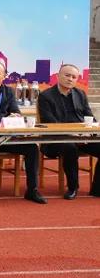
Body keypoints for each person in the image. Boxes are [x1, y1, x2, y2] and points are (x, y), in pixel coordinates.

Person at [0, 62, 46, 204]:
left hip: (7, 137)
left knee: (32, 148)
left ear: (4, 76)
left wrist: (15, 116)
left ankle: (32, 190)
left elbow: (15, 111)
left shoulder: (9, 91)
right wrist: (6, 119)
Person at [38, 64, 100, 199]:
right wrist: (72, 134)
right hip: (56, 139)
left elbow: (90, 117)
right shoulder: (45, 96)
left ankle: (97, 189)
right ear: (58, 76)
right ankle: (73, 187)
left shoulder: (80, 94)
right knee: (70, 147)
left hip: (81, 137)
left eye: (74, 77)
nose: (70, 79)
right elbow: (50, 122)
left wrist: (89, 132)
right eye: (67, 75)